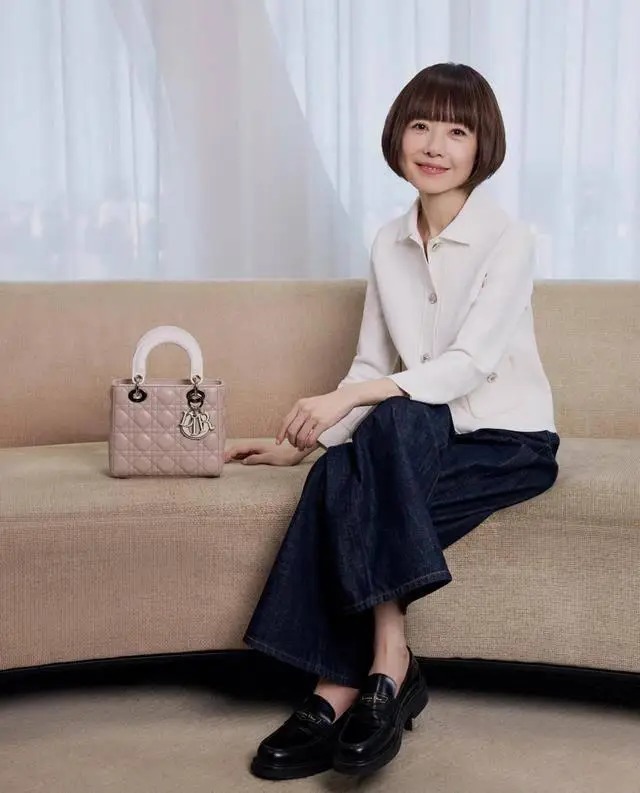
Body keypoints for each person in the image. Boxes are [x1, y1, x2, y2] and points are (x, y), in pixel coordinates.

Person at [225, 62, 560, 780]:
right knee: (344, 463)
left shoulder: (511, 238)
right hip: (414, 438)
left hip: (506, 442)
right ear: (397, 136)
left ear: (482, 146)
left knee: (372, 449)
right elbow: (370, 363)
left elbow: (468, 364)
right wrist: (306, 443)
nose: (435, 145)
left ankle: (345, 681)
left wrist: (351, 403)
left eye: (457, 131)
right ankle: (382, 670)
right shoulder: (388, 242)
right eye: (421, 125)